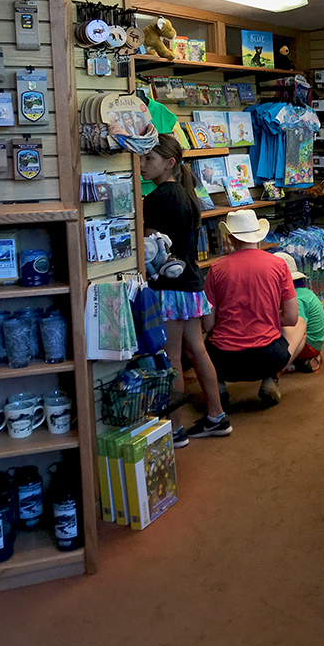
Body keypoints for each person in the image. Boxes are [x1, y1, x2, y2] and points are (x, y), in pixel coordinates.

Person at [139, 135, 231, 446]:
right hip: (192, 285)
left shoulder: (155, 200)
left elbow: (149, 248)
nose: (142, 164)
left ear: (169, 163)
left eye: (148, 159)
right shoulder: (189, 196)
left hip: (168, 288)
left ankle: (176, 429)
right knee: (197, 350)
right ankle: (217, 415)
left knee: (172, 359)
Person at [202, 211, 308, 408]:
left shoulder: (215, 269)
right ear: (258, 235)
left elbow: (208, 323)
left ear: (230, 238)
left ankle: (218, 385)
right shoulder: (279, 265)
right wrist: (269, 319)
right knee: (301, 325)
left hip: (223, 360)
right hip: (267, 357)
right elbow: (292, 318)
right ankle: (271, 379)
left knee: (203, 344)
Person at [275, 252, 324, 373]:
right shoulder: (302, 292)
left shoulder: (297, 299)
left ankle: (289, 361)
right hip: (315, 342)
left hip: (309, 345)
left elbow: (294, 326)